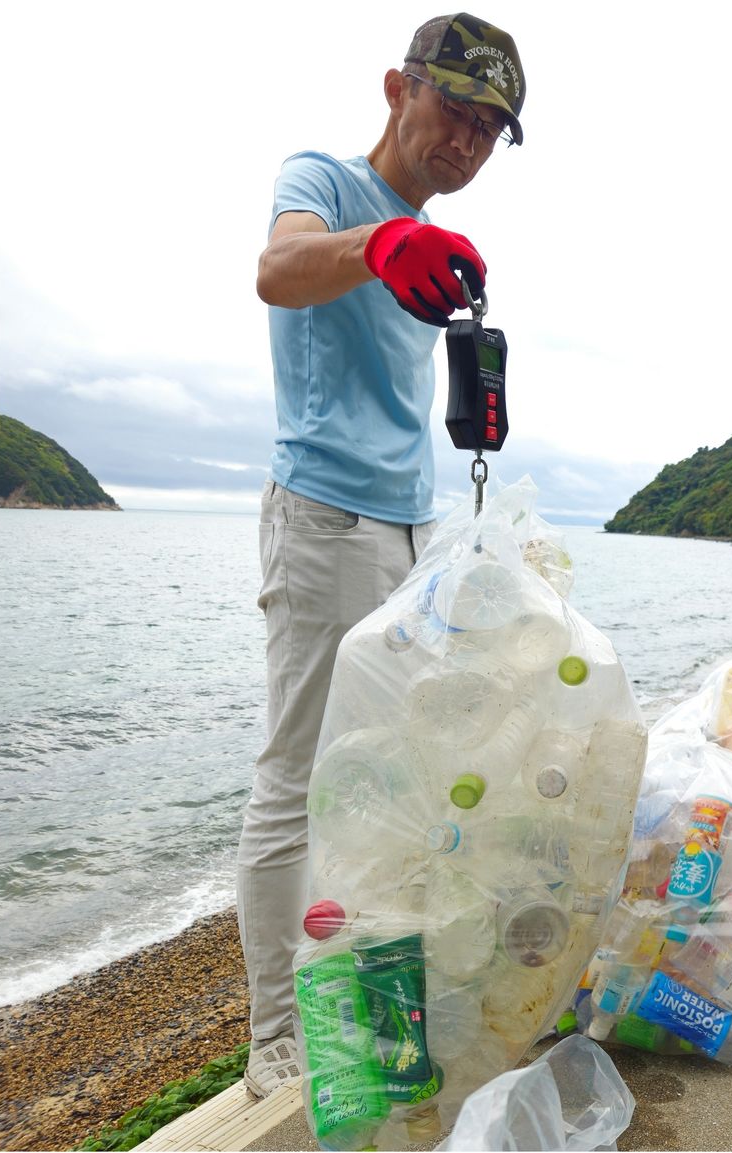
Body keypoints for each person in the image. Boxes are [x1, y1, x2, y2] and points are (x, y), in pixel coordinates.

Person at [236, 13, 528, 1099]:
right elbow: (278, 268)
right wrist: (377, 246)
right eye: (454, 107)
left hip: (413, 532)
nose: (466, 139)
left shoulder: (429, 230)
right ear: (398, 86)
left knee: (391, 783)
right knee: (296, 779)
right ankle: (273, 1035)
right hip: (321, 520)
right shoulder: (323, 180)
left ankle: (363, 987)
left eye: (490, 127)